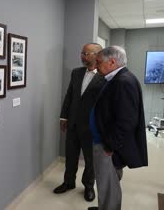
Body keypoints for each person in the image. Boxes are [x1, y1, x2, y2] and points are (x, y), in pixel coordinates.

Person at [88, 46, 148, 210]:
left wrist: (110, 146)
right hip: (105, 141)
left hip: (107, 146)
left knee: (108, 184)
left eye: (99, 62)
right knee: (108, 183)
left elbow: (126, 121)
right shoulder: (116, 78)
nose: (96, 64)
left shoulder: (123, 82)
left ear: (112, 62)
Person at [53, 43, 105, 202]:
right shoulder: (76, 73)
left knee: (91, 160)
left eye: (86, 53)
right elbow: (70, 96)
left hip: (92, 128)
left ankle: (88, 186)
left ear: (97, 55)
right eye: (82, 53)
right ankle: (68, 182)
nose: (82, 56)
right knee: (70, 156)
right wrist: (63, 117)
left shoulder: (105, 76)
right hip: (73, 124)